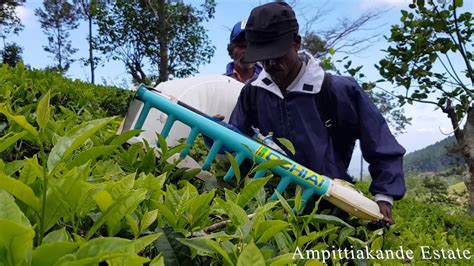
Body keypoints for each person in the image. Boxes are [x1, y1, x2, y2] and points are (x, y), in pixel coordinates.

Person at [227, 2, 406, 225]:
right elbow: (237, 145)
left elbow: (382, 145)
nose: (271, 64)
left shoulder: (337, 90)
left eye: (277, 54)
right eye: (263, 57)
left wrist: (383, 198)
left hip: (332, 208)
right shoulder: (253, 94)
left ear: (296, 43)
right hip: (272, 208)